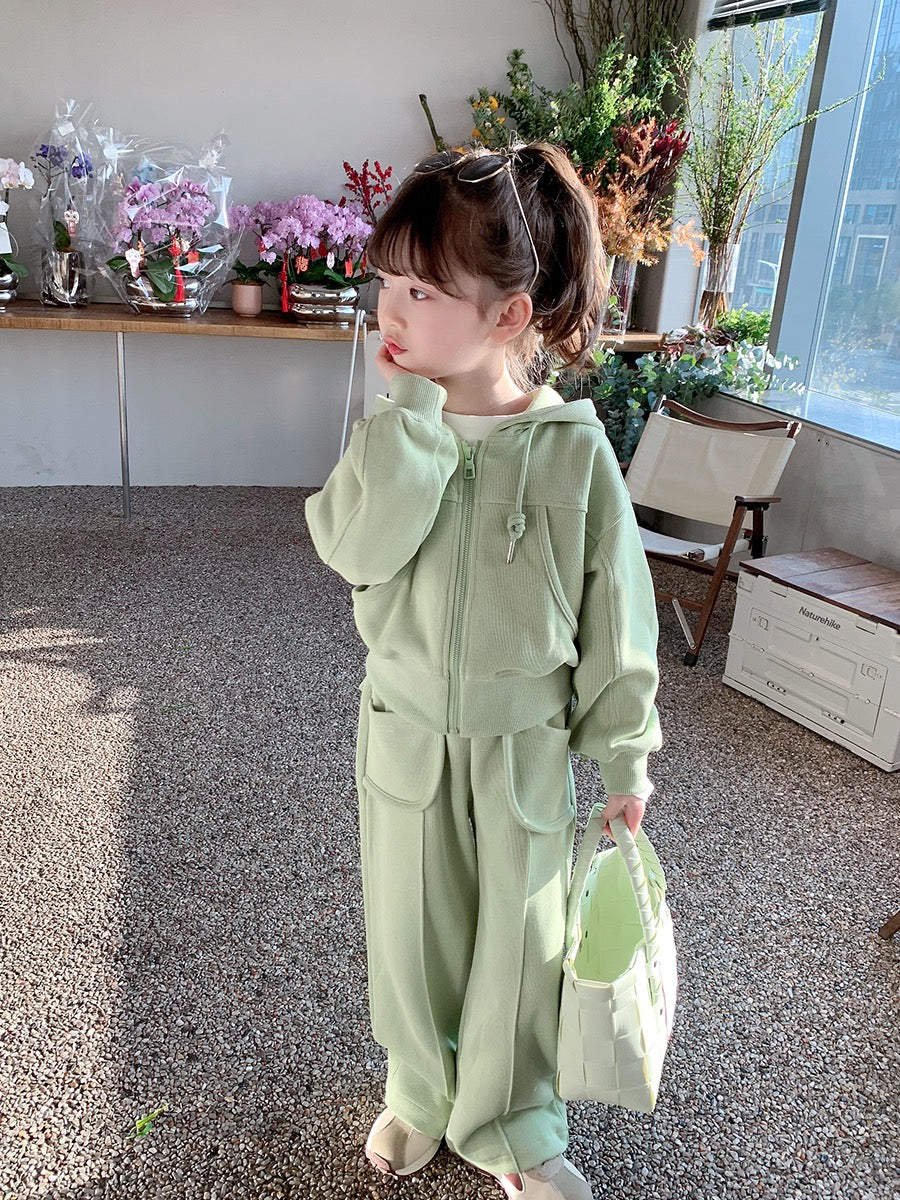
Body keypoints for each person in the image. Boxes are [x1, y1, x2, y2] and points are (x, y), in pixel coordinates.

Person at [305, 142, 661, 1200]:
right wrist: (409, 422)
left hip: (524, 746)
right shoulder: (394, 430)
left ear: (509, 315)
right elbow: (351, 549)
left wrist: (626, 756)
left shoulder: (573, 452)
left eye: (421, 290)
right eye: (386, 282)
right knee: (410, 930)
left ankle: (511, 1120)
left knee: (522, 941)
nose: (390, 310)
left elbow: (617, 612)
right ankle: (420, 1090)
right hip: (406, 730)